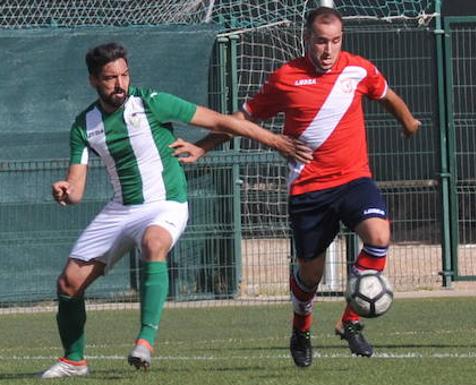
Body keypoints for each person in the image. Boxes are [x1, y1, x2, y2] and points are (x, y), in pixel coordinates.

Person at [40, 42, 311, 379]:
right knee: (68, 283)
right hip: (121, 208)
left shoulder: (151, 102)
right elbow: (76, 189)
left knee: (154, 243)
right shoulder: (85, 125)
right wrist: (64, 191)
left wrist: (277, 142)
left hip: (165, 202)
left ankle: (145, 341)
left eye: (124, 74)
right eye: (110, 78)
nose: (120, 83)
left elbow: (224, 121)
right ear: (93, 80)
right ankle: (74, 360)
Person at [172, 7, 421, 367]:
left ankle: (349, 321)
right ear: (307, 40)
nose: (328, 50)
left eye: (335, 41)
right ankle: (301, 329)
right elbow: (241, 120)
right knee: (311, 275)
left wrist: (409, 121)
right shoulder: (285, 78)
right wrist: (202, 146)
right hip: (309, 189)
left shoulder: (359, 69)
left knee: (379, 236)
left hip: (354, 179)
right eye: (321, 41)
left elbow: (388, 95)